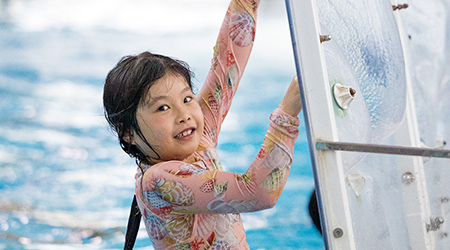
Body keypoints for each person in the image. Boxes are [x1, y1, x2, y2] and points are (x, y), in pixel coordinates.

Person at [103, 0, 302, 249]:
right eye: (162, 107)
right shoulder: (159, 181)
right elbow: (258, 192)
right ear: (128, 132)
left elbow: (226, 63)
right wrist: (287, 114)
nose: (184, 114)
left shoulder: (198, 136)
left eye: (187, 98)